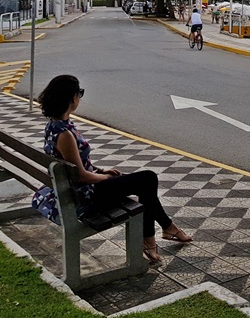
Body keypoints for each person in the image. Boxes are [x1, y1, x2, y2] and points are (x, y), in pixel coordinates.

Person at [37, 75, 192, 265]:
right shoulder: (65, 134)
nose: (80, 98)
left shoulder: (54, 126)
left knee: (144, 183)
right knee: (148, 179)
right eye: (80, 93)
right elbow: (83, 176)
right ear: (71, 98)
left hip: (77, 190)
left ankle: (166, 229)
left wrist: (102, 171)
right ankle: (152, 237)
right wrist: (105, 178)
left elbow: (77, 165)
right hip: (86, 196)